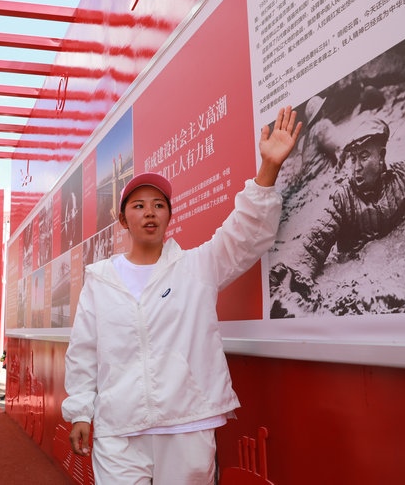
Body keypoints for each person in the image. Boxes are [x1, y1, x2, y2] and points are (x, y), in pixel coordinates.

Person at [62, 106, 302, 483]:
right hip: (119, 428)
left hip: (187, 423)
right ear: (123, 219)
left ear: (169, 215)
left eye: (159, 205)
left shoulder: (196, 267)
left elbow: (244, 235)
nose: (150, 213)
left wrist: (268, 168)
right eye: (139, 206)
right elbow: (83, 350)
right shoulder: (100, 279)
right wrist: (80, 411)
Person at [273, 117, 405, 297]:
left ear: (381, 157)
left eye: (364, 157)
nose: (357, 167)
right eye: (353, 159)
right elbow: (315, 242)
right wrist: (294, 277)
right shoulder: (343, 200)